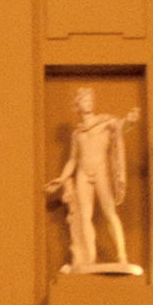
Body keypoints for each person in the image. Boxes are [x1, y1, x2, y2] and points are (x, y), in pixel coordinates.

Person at [49, 85, 142, 272]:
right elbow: (73, 160)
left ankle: (122, 256)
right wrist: (61, 179)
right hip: (83, 173)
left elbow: (121, 126)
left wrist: (130, 120)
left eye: (90, 99)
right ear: (78, 106)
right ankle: (90, 258)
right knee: (84, 216)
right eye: (84, 100)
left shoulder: (104, 123)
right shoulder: (77, 134)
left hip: (101, 172)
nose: (88, 102)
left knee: (110, 213)